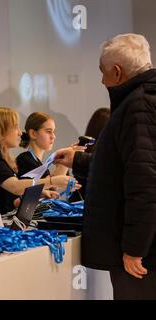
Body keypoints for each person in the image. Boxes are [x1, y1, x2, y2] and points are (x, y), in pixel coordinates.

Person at [54, 33, 156, 300]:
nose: (101, 80)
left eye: (103, 73)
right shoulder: (142, 103)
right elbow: (122, 168)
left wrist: (135, 247)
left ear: (117, 72)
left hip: (143, 255)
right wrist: (78, 160)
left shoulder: (137, 108)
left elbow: (144, 184)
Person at [0, 107, 76, 214]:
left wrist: (37, 193)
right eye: (15, 127)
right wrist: (51, 181)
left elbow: (11, 199)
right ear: (1, 130)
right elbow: (16, 187)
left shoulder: (1, 158)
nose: (20, 133)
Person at [17, 112, 68, 178]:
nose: (53, 136)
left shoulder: (34, 161)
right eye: (48, 131)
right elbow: (51, 186)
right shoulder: (25, 160)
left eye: (53, 132)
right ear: (33, 134)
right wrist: (64, 162)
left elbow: (52, 185)